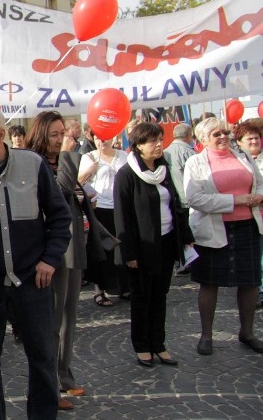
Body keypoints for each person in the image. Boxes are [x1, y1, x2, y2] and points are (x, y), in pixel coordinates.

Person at [0, 104, 72, 419]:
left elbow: (60, 217)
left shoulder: (32, 164)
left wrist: (50, 259)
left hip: (31, 283)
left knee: (42, 357)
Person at [25, 110, 95, 409]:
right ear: (41, 135)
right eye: (54, 134)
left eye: (62, 133)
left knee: (70, 315)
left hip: (74, 243)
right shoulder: (34, 164)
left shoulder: (63, 160)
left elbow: (75, 197)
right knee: (51, 320)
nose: (61, 139)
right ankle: (48, 384)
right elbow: (61, 190)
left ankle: (64, 374)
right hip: (51, 250)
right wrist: (68, 158)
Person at [113, 122, 194, 367]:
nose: (159, 145)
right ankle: (142, 346)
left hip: (167, 242)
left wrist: (186, 237)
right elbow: (122, 217)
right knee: (142, 297)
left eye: (160, 139)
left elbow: (175, 204)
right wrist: (129, 252)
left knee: (160, 295)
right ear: (138, 145)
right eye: (152, 141)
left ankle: (158, 343)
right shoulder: (126, 175)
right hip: (141, 246)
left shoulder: (164, 169)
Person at [184, 117, 263, 355]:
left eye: (225, 132)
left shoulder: (243, 156)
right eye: (216, 134)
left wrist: (258, 196)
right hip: (213, 229)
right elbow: (194, 199)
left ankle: (247, 332)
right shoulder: (196, 162)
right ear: (203, 139)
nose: (223, 137)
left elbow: (258, 182)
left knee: (249, 281)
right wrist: (234, 200)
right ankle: (206, 335)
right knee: (210, 282)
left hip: (248, 226)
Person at [79, 134, 129, 305]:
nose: (102, 141)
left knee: (121, 248)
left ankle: (123, 287)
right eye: (98, 137)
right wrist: (88, 171)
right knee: (102, 249)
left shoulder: (123, 155)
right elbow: (77, 182)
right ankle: (99, 290)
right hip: (99, 207)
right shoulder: (89, 157)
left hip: (120, 206)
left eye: (105, 137)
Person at [234, 120, 263, 307]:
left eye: (256, 137)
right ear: (240, 142)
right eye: (249, 138)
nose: (254, 141)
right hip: (249, 214)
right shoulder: (237, 162)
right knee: (257, 255)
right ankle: (258, 289)